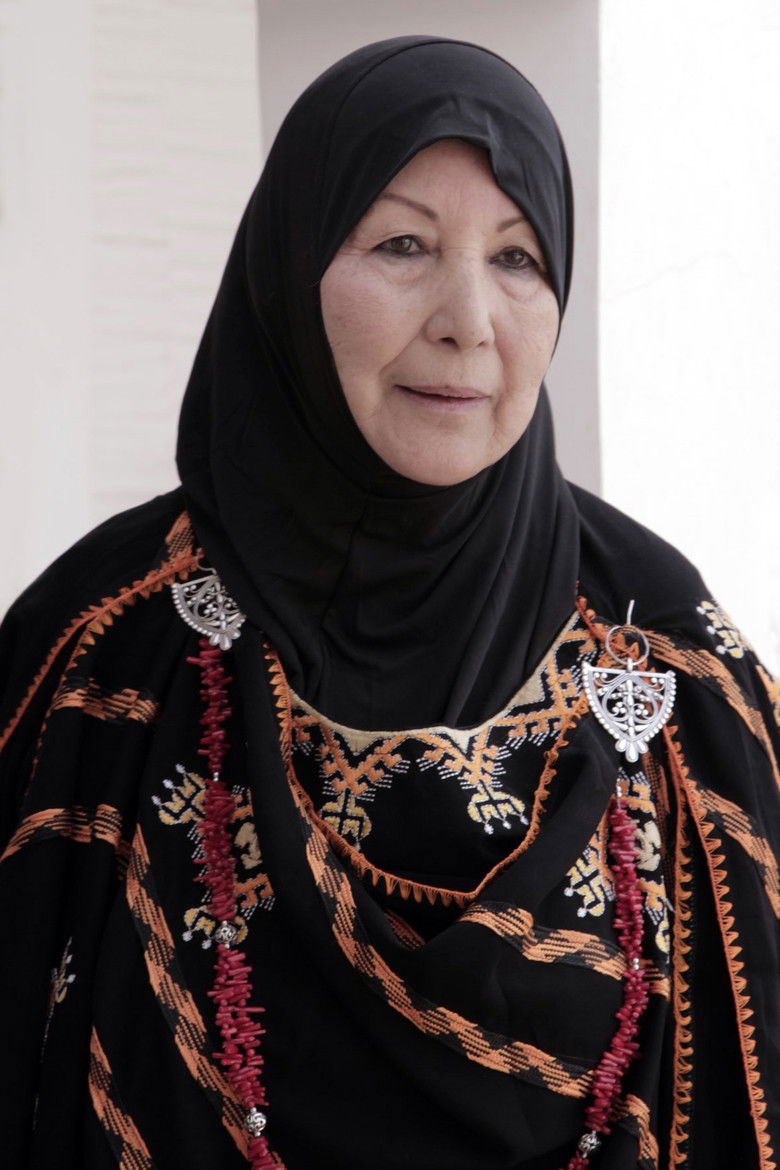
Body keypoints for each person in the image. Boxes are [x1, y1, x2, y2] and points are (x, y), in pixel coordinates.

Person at [0, 34, 778, 1170]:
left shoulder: (664, 654)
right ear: (290, 265)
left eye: (518, 258)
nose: (470, 318)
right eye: (403, 244)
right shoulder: (106, 648)